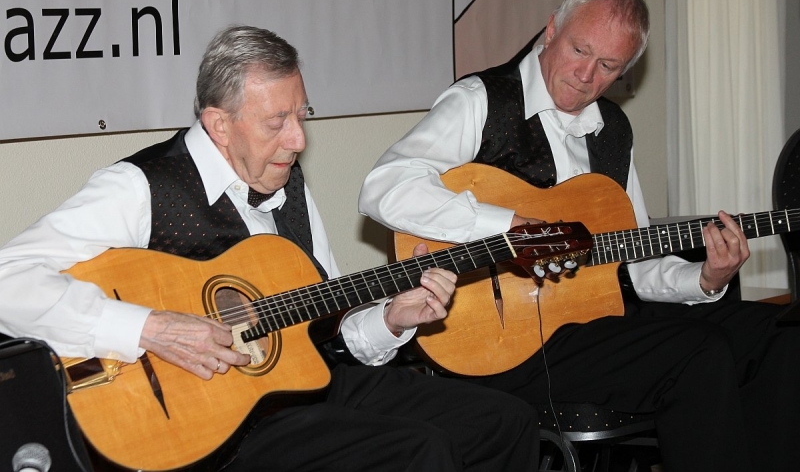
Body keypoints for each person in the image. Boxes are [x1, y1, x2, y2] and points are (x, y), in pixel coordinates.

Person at [0, 26, 540, 471]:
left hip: (299, 391)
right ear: (219, 125)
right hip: (217, 428)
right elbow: (9, 280)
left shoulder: (287, 183)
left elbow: (326, 330)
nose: (298, 140)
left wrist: (394, 318)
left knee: (503, 421)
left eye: (302, 115)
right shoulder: (140, 187)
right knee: (418, 449)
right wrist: (151, 327)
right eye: (277, 122)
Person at [358, 0, 800, 472]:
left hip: (598, 324)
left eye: (608, 66)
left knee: (779, 334)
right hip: (506, 342)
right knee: (699, 352)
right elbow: (383, 187)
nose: (586, 75)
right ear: (551, 30)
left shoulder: (612, 131)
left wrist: (705, 278)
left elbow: (634, 261)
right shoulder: (481, 101)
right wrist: (510, 226)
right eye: (579, 50)